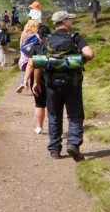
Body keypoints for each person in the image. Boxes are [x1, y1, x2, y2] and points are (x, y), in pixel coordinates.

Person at [32, 11, 95, 161]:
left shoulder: (46, 40)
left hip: (51, 84)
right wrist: (80, 61)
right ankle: (73, 143)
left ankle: (55, 149)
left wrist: (35, 82)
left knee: (54, 115)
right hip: (72, 83)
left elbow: (38, 63)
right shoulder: (75, 37)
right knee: (74, 115)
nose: (71, 22)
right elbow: (90, 54)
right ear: (65, 21)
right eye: (70, 20)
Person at [23, 23, 51, 134]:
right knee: (52, 103)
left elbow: (30, 65)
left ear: (38, 35)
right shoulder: (52, 47)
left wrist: (25, 79)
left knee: (39, 104)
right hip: (51, 77)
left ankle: (39, 127)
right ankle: (53, 126)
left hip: (38, 79)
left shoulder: (35, 47)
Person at [17, 18, 40, 92]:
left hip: (25, 52)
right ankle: (35, 83)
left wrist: (21, 50)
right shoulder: (37, 33)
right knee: (34, 66)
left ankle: (22, 82)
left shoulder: (25, 32)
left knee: (25, 67)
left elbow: (22, 42)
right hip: (34, 51)